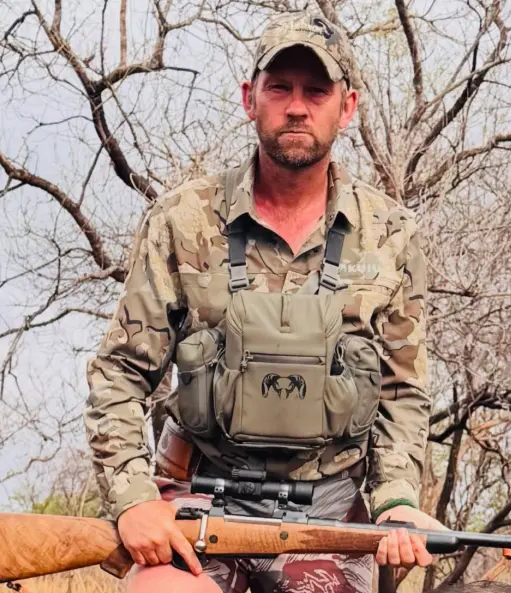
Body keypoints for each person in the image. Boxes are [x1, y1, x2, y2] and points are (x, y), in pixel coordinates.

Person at [83, 11, 436, 593]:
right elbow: (120, 372)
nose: (297, 107)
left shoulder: (391, 234)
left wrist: (397, 499)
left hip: (330, 510)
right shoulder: (182, 219)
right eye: (280, 88)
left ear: (347, 107)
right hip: (198, 496)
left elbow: (403, 390)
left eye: (316, 91)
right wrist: (133, 499)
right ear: (250, 98)